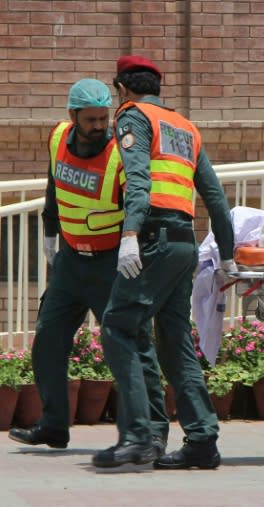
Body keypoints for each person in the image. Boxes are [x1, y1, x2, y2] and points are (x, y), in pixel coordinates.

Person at [7, 79, 169, 453]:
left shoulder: (119, 150)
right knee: (48, 339)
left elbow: (138, 200)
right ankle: (53, 425)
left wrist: (133, 243)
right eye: (91, 119)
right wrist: (49, 231)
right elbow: (53, 184)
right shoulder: (57, 138)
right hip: (69, 261)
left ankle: (151, 431)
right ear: (72, 116)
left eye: (103, 118)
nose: (100, 126)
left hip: (111, 264)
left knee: (131, 345)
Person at [93, 55, 236, 469]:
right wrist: (226, 254)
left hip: (153, 238)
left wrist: (130, 235)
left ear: (122, 88)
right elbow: (215, 197)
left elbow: (138, 180)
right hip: (182, 245)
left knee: (118, 326)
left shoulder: (133, 116)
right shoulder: (185, 126)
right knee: (174, 343)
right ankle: (202, 441)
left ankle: (139, 437)